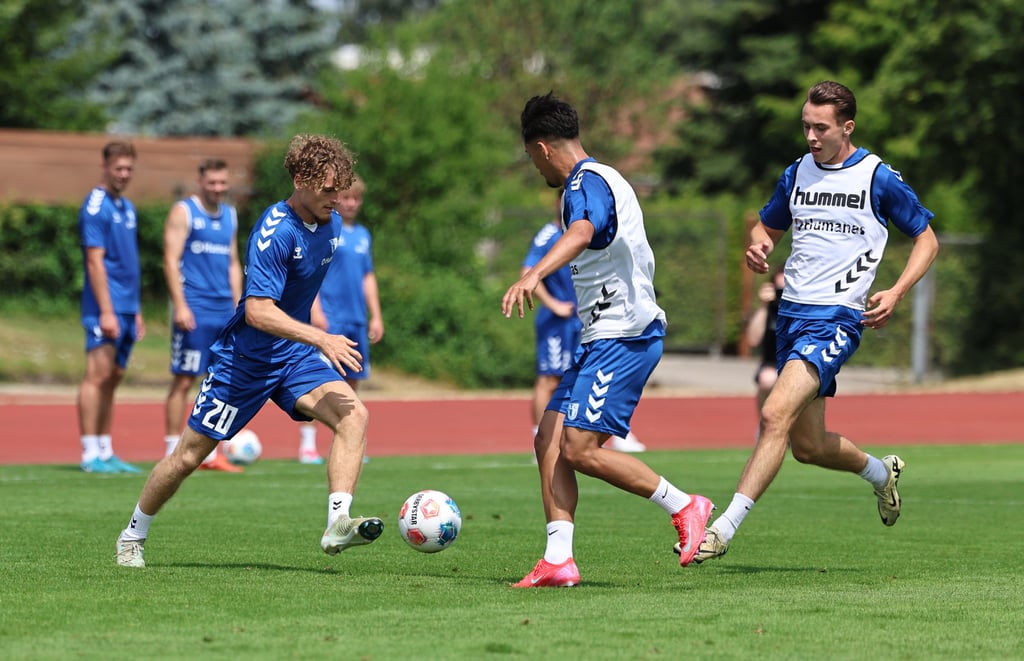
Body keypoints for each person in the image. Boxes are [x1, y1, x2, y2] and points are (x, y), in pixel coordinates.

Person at [689, 81, 940, 566]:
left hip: (835, 319)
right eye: (805, 125)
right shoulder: (798, 173)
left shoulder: (877, 177)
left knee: (772, 414)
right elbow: (767, 227)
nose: (810, 136)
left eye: (820, 127)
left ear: (847, 127)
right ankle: (880, 473)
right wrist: (759, 244)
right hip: (791, 315)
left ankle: (719, 530)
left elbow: (926, 240)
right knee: (807, 446)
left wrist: (898, 290)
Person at [116, 134, 382, 568]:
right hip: (244, 362)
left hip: (292, 358)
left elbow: (301, 286)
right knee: (187, 456)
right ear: (300, 180)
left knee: (354, 415)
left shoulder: (330, 223)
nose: (339, 198)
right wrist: (321, 337)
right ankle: (132, 534)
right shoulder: (274, 232)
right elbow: (258, 311)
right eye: (329, 189)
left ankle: (338, 522)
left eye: (342, 188)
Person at [502, 92, 714, 586]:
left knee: (578, 448)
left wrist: (533, 274)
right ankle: (559, 559)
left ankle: (685, 505)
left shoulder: (585, 182)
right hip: (602, 338)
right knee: (549, 439)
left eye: (532, 158)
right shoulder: (600, 178)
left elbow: (581, 231)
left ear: (542, 148)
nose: (536, 168)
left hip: (625, 336)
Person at [522, 199, 646, 453]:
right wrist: (554, 304)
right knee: (550, 379)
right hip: (557, 322)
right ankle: (540, 439)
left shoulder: (591, 232)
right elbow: (527, 270)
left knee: (597, 373)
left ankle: (617, 433)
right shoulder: (550, 233)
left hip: (589, 319)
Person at [162, 158, 243, 472]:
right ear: (201, 181)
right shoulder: (184, 212)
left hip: (225, 311)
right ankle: (172, 449)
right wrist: (180, 305)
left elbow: (233, 262)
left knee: (222, 381)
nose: (218, 188)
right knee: (184, 380)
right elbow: (170, 260)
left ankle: (211, 453)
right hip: (194, 308)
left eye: (223, 183)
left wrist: (240, 305)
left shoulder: (231, 215)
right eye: (212, 183)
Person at [298, 175, 384, 464]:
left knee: (353, 382)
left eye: (356, 199)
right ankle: (307, 445)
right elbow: (312, 272)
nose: (351, 203)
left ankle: (349, 443)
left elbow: (367, 277)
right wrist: (316, 310)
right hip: (329, 320)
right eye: (347, 197)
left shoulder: (363, 235)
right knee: (318, 383)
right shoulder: (326, 230)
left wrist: (376, 316)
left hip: (355, 319)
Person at [77, 141, 145, 474]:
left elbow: (128, 263)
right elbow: (95, 262)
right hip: (104, 308)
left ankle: (105, 450)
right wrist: (106, 310)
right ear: (105, 167)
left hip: (128, 309)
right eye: (118, 168)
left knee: (113, 378)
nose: (124, 174)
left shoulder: (127, 206)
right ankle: (89, 452)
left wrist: (137, 311)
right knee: (97, 375)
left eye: (129, 168)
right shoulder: (96, 206)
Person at [745, 265, 785, 413]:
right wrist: (763, 305)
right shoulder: (769, 310)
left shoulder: (804, 311)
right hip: (772, 365)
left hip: (800, 362)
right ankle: (764, 426)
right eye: (779, 291)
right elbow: (752, 340)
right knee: (767, 378)